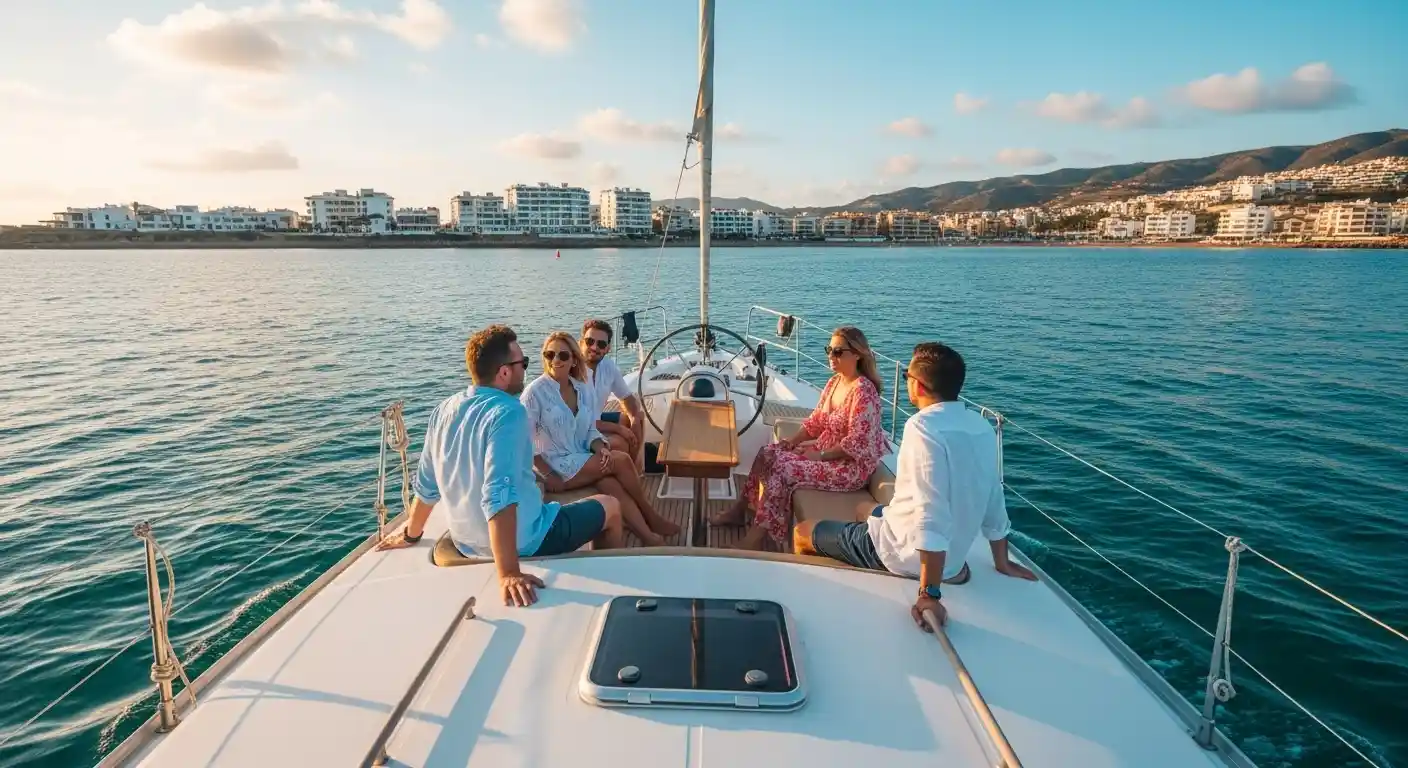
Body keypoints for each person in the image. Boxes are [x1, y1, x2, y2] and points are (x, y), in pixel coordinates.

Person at [793, 342, 1038, 631]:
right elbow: (994, 497)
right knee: (864, 509)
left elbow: (929, 513)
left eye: (907, 376)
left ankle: (812, 604)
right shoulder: (981, 426)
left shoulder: (922, 427)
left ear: (918, 386)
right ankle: (871, 518)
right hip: (950, 559)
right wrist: (1002, 561)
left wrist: (929, 594)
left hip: (902, 554)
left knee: (802, 533)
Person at [376, 324, 624, 607]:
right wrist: (508, 573)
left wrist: (411, 534)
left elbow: (428, 485)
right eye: (523, 362)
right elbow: (499, 494)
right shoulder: (509, 412)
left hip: (464, 542)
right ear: (505, 372)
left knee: (537, 486)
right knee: (611, 506)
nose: (526, 369)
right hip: (527, 541)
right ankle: (612, 587)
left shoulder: (443, 409)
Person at [712, 326, 889, 550]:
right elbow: (816, 422)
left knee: (783, 468)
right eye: (829, 350)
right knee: (768, 453)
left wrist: (819, 455)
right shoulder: (835, 382)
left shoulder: (863, 391)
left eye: (838, 351)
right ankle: (741, 511)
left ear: (856, 353)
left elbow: (857, 443)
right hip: (826, 452)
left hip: (848, 467)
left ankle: (754, 540)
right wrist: (793, 441)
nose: (830, 356)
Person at [522, 331, 680, 547]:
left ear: (573, 360)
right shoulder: (534, 393)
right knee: (622, 460)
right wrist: (549, 475)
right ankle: (651, 515)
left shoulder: (580, 388)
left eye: (563, 356)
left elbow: (589, 431)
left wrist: (601, 448)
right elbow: (524, 444)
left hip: (578, 457)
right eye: (550, 355)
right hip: (553, 467)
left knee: (610, 482)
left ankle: (646, 534)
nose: (556, 360)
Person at [579, 319, 645, 469]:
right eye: (590, 341)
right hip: (579, 432)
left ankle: (634, 471)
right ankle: (625, 472)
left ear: (608, 348)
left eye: (601, 344)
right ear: (581, 342)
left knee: (637, 418)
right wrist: (619, 429)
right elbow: (582, 423)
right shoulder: (572, 372)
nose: (594, 347)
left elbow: (627, 397)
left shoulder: (607, 366)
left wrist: (633, 418)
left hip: (596, 421)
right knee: (620, 443)